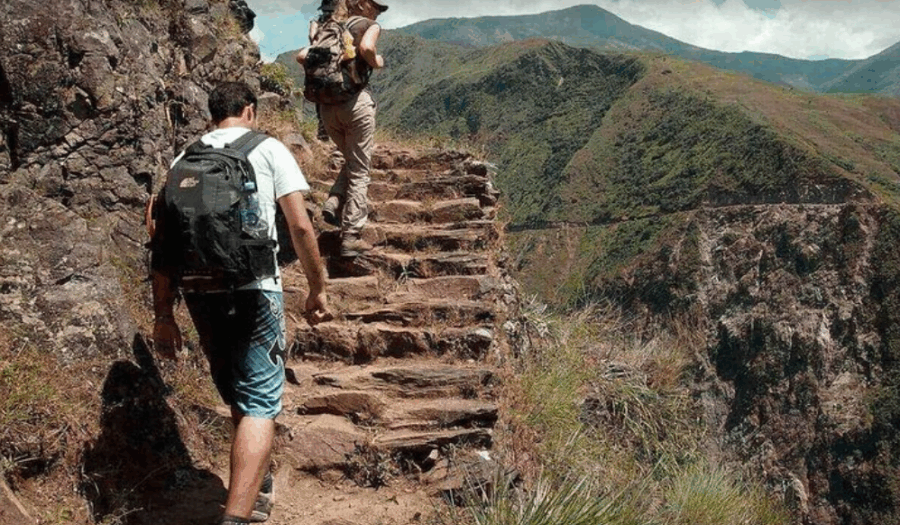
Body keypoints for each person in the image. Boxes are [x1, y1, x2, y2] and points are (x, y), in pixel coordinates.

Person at [150, 81, 329, 525]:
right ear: (249, 110)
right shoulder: (267, 149)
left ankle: (257, 485)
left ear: (213, 114)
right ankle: (236, 517)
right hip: (253, 288)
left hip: (197, 291)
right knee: (261, 403)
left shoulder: (183, 159)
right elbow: (301, 227)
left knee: (238, 392)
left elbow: (162, 238)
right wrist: (317, 286)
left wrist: (162, 316)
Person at [297, 0, 388, 257]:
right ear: (362, 5)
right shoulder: (369, 25)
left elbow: (302, 56)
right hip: (354, 104)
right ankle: (351, 235)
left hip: (327, 109)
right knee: (360, 169)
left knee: (352, 158)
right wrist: (376, 61)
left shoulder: (329, 27)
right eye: (376, 7)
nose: (379, 12)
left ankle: (334, 200)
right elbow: (367, 47)